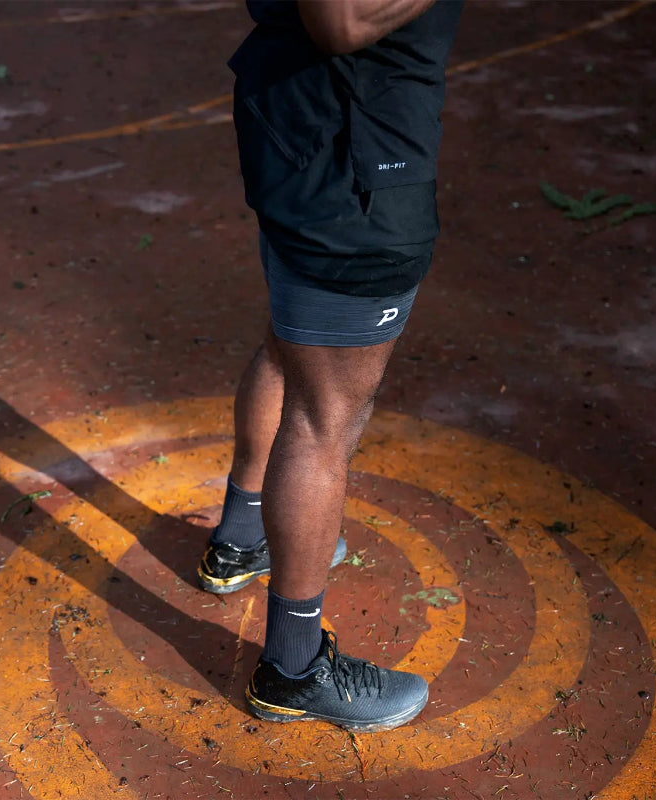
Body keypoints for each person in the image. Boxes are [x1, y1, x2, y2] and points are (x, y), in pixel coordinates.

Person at [197, 0, 463, 732]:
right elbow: (340, 20)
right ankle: (293, 668)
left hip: (304, 140)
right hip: (357, 173)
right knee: (325, 421)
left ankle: (242, 537)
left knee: (291, 346)